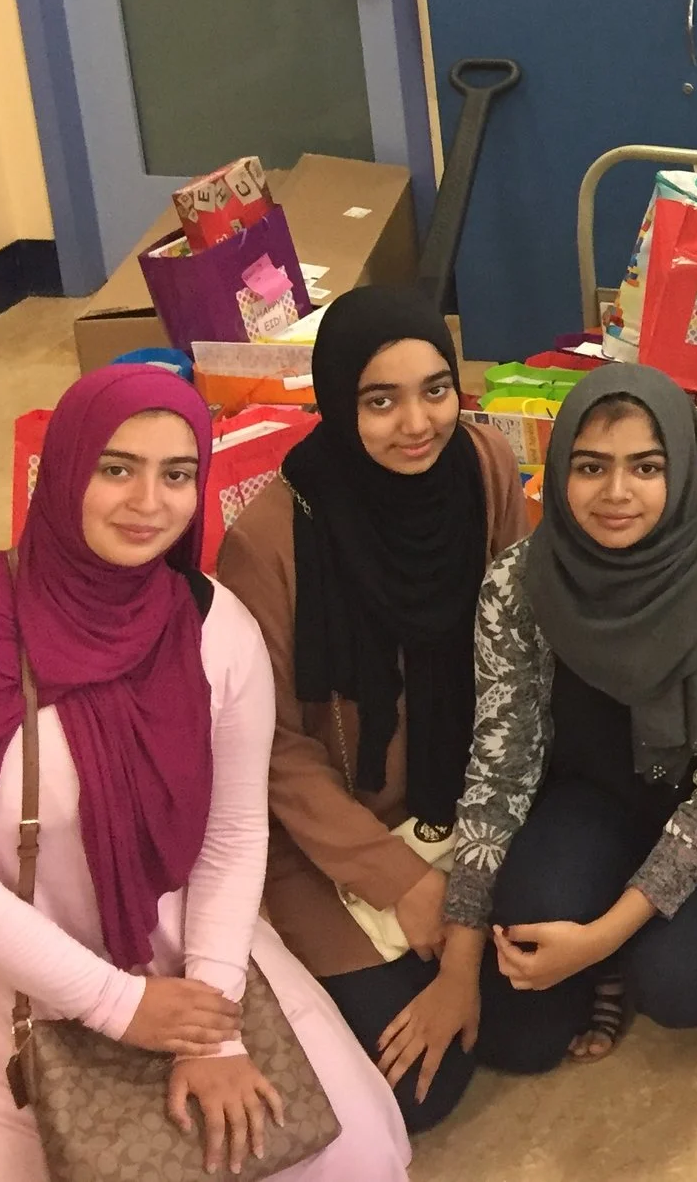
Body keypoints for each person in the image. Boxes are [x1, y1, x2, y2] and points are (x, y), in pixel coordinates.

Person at [0, 365, 409, 1181]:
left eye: (177, 474)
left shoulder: (212, 626)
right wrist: (115, 1003)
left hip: (191, 951)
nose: (149, 501)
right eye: (117, 467)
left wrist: (211, 1028)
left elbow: (233, 832)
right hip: (14, 978)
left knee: (348, 1152)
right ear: (64, 468)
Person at [403, 363, 697, 1079]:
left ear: (681, 468)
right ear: (559, 470)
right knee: (517, 1034)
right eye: (591, 466)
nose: (617, 492)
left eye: (646, 467)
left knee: (679, 983)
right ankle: (619, 937)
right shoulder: (520, 582)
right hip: (598, 790)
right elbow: (500, 768)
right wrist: (460, 959)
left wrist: (600, 939)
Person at [215, 287, 525, 1131]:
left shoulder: (483, 466)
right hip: (335, 841)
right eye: (380, 401)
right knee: (419, 1090)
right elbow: (274, 747)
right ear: (337, 401)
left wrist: (463, 906)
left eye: (436, 389)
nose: (417, 423)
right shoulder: (270, 541)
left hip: (468, 805)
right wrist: (403, 881)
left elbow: (515, 665)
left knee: (533, 1026)